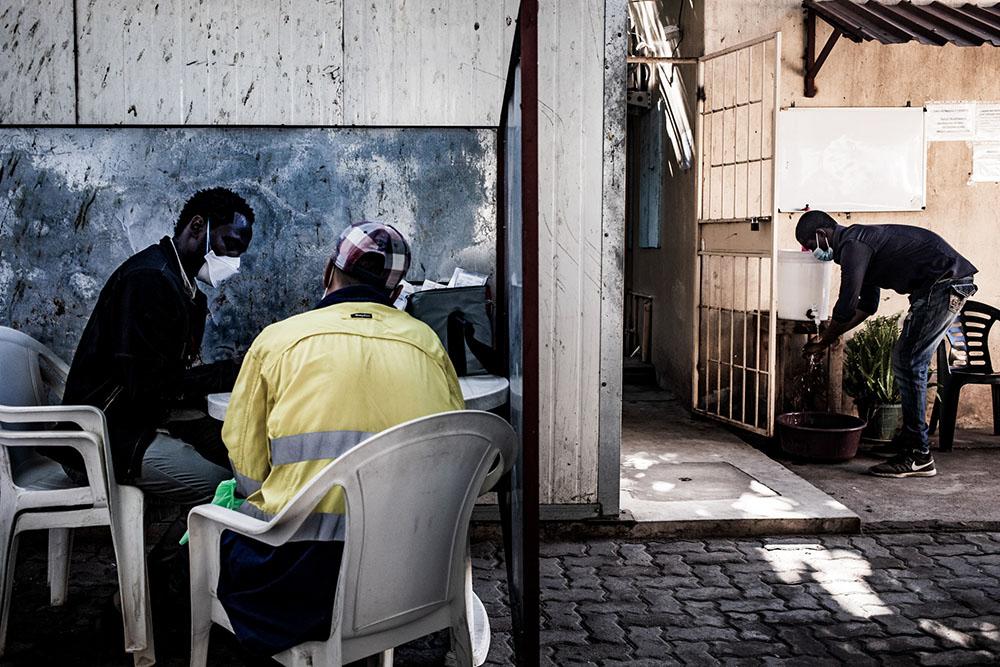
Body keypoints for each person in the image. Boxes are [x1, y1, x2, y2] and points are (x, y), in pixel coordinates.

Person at [218, 221, 465, 656]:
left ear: (329, 272)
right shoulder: (427, 344)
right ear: (395, 291)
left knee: (218, 530)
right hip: (406, 579)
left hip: (296, 578)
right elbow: (456, 448)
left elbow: (247, 472)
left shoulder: (278, 342)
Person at [62, 187, 254, 502]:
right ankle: (175, 554)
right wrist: (232, 371)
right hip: (106, 436)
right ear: (197, 227)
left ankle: (202, 547)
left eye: (240, 252)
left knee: (244, 452)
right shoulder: (148, 280)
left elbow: (167, 377)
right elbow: (149, 386)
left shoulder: (183, 287)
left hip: (142, 419)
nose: (234, 261)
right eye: (229, 244)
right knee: (222, 485)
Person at [796, 210, 977, 478]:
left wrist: (825, 339)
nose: (814, 253)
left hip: (943, 284)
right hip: (941, 285)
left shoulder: (853, 245)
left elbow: (845, 307)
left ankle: (918, 454)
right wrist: (827, 340)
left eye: (811, 247)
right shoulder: (861, 245)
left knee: (909, 361)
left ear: (822, 235)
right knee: (907, 360)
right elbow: (866, 307)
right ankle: (910, 442)